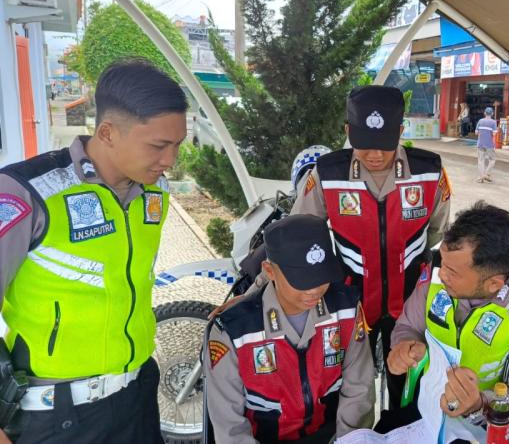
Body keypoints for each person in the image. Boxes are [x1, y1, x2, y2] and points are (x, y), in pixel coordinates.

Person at [0, 59, 188, 443]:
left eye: (178, 146)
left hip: (137, 397)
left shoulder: (155, 194)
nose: (170, 160)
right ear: (107, 132)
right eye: (158, 146)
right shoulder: (27, 193)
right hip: (57, 415)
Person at [291, 85, 451, 407]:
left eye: (385, 145)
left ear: (401, 132)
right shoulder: (328, 173)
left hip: (409, 303)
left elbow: (437, 231)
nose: (375, 155)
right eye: (364, 145)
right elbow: (299, 232)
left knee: (408, 390)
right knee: (350, 386)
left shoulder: (429, 172)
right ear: (349, 132)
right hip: (350, 299)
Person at [386, 202, 509, 427]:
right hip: (430, 410)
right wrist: (404, 347)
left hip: (495, 428)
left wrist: (478, 404)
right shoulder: (441, 266)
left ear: (494, 283)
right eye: (443, 263)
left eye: (452, 272)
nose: (441, 274)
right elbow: (408, 327)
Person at [205, 215, 375, 443]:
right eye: (302, 279)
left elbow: (359, 390)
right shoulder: (233, 332)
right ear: (270, 271)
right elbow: (230, 427)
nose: (315, 289)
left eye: (322, 276)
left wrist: (349, 441)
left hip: (331, 437)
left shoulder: (346, 310)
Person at [475, 107, 498, 183]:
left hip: (480, 144)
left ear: (484, 113)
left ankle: (481, 178)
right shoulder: (493, 122)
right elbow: (494, 134)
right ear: (492, 114)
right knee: (492, 160)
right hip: (489, 144)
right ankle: (487, 174)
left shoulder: (480, 121)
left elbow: (476, 133)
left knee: (481, 160)